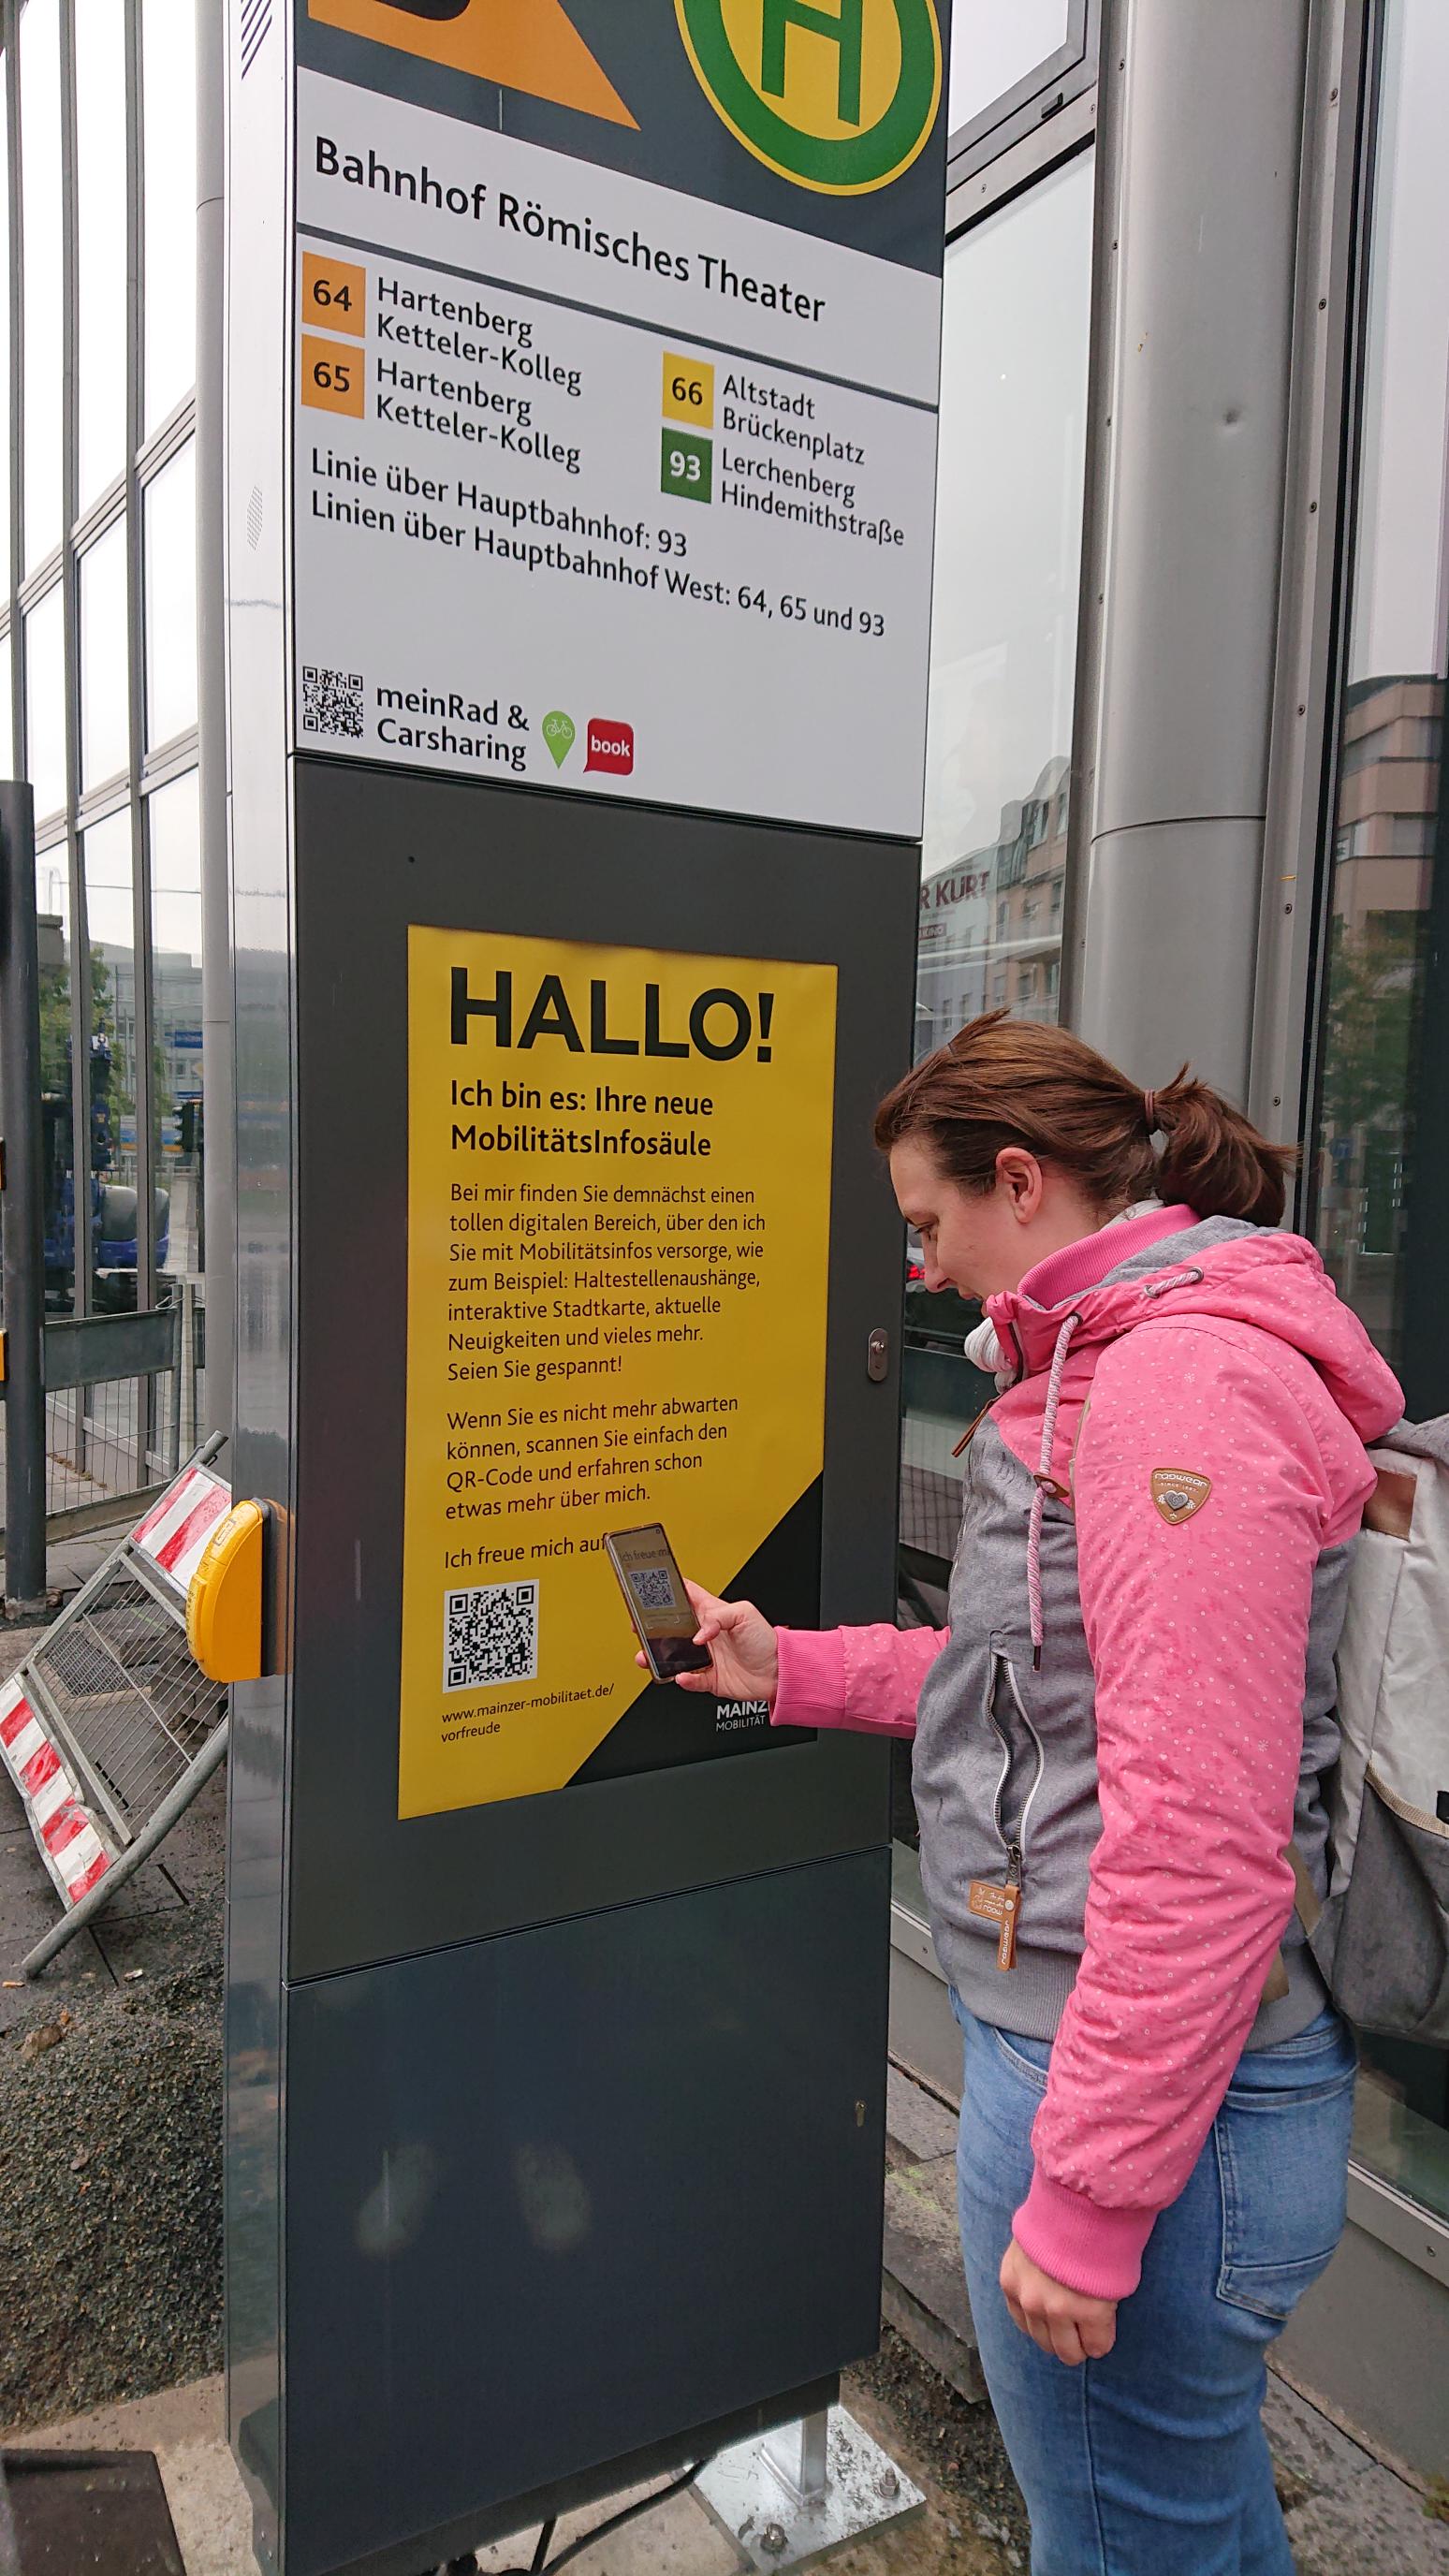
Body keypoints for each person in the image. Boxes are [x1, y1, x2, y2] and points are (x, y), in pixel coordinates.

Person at [648, 1013, 1403, 2576]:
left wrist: (1090, 2199)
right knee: (1187, 2528)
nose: (921, 1270)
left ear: (1018, 1179)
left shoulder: (1177, 1388)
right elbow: (1028, 1682)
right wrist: (786, 1666)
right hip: (1124, 2074)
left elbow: (1200, 1840)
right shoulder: (1110, 1365)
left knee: (1121, 2540)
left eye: (927, 1224)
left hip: (1140, 2105)